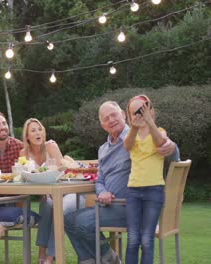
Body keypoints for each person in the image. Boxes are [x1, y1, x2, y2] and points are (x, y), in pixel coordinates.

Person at [64, 101, 179, 264]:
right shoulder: (103, 149)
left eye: (114, 115)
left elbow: (169, 149)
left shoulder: (139, 137)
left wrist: (172, 147)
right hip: (108, 206)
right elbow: (100, 179)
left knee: (82, 222)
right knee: (68, 219)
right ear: (103, 125)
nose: (111, 120)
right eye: (106, 118)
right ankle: (99, 258)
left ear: (124, 116)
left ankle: (108, 259)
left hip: (131, 206)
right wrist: (101, 191)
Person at [19, 118, 83, 264]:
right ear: (27, 136)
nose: (37, 133)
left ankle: (50, 256)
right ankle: (41, 253)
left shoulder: (51, 146)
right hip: (47, 194)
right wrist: (44, 192)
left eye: (40, 129)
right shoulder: (24, 153)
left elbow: (64, 172)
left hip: (67, 192)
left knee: (57, 206)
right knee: (47, 204)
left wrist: (56, 153)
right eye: (33, 130)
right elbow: (26, 178)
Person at [123, 95, 166, 264]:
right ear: (129, 116)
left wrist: (149, 122)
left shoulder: (160, 131)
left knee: (147, 240)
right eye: (136, 112)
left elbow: (160, 142)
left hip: (154, 191)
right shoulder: (131, 135)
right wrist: (134, 127)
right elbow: (126, 146)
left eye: (143, 109)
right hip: (134, 191)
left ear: (152, 111)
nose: (140, 114)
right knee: (133, 239)